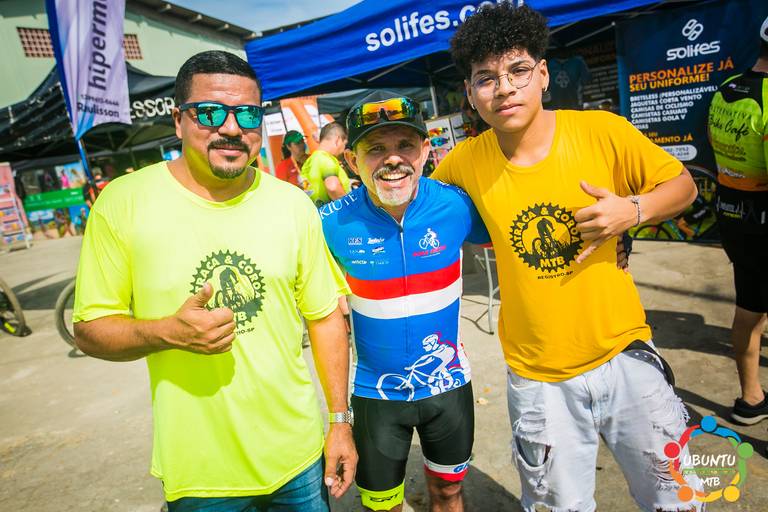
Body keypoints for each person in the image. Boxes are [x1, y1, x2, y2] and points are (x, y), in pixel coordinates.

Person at [434, 5, 700, 511]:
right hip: (537, 376)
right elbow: (416, 209)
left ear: (543, 74)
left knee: (677, 500)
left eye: (517, 71)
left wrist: (631, 211)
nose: (504, 89)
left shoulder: (602, 131)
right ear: (470, 92)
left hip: (625, 356)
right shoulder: (463, 162)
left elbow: (683, 186)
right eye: (486, 78)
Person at [72, 50, 357, 511]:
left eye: (247, 114)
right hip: (201, 476)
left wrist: (340, 422)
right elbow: (90, 329)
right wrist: (167, 332)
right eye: (209, 112)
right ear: (178, 121)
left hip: (298, 459)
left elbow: (325, 318)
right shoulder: (124, 203)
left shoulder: (292, 205)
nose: (231, 127)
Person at [319, 91, 489, 511]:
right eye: (375, 149)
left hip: (448, 385)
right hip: (375, 394)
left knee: (448, 492)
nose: (393, 159)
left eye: (405, 145)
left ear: (426, 150)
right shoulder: (328, 223)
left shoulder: (456, 205)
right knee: (381, 507)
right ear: (352, 160)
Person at [707, 16, 768, 425]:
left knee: (749, 307)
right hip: (763, 219)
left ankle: (751, 399)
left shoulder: (726, 90)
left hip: (733, 215)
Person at [300, 122, 352, 205]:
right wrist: (349, 207)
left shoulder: (309, 162)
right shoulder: (326, 159)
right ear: (338, 140)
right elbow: (333, 187)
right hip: (336, 211)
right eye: (344, 144)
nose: (343, 149)